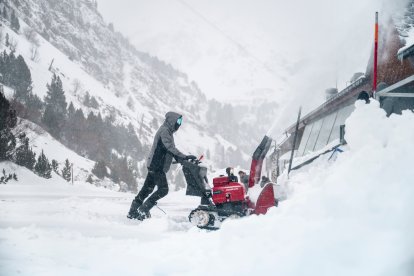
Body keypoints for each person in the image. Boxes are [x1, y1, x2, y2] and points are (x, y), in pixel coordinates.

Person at [127, 111, 196, 220]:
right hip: (156, 165)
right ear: (172, 120)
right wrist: (184, 157)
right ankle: (143, 210)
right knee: (163, 189)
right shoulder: (164, 131)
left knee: (147, 189)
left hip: (155, 165)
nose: (179, 124)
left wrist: (183, 159)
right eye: (178, 121)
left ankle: (133, 212)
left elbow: (169, 151)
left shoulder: (168, 132)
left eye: (180, 122)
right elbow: (170, 148)